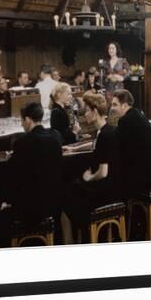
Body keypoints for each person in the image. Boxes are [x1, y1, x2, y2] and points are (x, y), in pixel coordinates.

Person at [0, 102, 64, 244]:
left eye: (21, 121)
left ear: (28, 119)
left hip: (31, 208)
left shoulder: (22, 142)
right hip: (54, 203)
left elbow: (10, 177)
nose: (22, 125)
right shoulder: (56, 138)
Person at [61, 92, 121, 243]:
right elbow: (95, 143)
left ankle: (73, 243)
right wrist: (75, 149)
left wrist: (89, 177)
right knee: (72, 187)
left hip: (105, 191)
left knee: (64, 196)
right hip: (114, 186)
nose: (84, 114)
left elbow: (103, 172)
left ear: (95, 112)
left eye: (87, 110)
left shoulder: (104, 136)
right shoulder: (108, 130)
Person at [111, 89, 151, 199]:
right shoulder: (139, 114)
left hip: (144, 179)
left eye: (115, 105)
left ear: (124, 105)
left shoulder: (125, 120)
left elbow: (116, 146)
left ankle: (121, 213)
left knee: (114, 180)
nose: (112, 108)